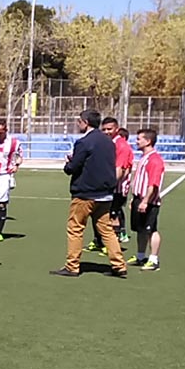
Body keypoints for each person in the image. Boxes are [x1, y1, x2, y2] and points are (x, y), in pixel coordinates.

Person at [52, 109, 127, 278]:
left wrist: (68, 163)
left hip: (85, 193)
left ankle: (72, 266)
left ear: (85, 122)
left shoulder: (84, 142)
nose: (78, 124)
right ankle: (119, 265)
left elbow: (73, 168)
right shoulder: (109, 142)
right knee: (106, 230)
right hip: (106, 193)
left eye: (79, 121)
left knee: (75, 228)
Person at [90, 118, 133, 250]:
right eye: (104, 129)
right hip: (105, 185)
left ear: (117, 129)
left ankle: (114, 246)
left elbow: (120, 169)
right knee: (99, 213)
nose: (107, 132)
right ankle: (100, 241)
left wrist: (109, 185)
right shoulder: (107, 143)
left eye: (110, 129)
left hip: (116, 188)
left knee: (113, 214)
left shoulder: (121, 145)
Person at [127, 129, 165, 271]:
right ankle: (140, 256)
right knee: (140, 229)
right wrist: (135, 198)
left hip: (149, 201)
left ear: (148, 141)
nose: (136, 141)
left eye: (139, 139)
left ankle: (154, 259)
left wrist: (145, 201)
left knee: (151, 229)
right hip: (139, 199)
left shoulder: (154, 159)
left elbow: (153, 183)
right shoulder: (144, 157)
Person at [0, 118, 21, 241]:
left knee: (1, 204)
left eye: (0, 132)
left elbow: (19, 156)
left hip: (4, 175)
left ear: (6, 130)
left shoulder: (14, 142)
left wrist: (16, 165)